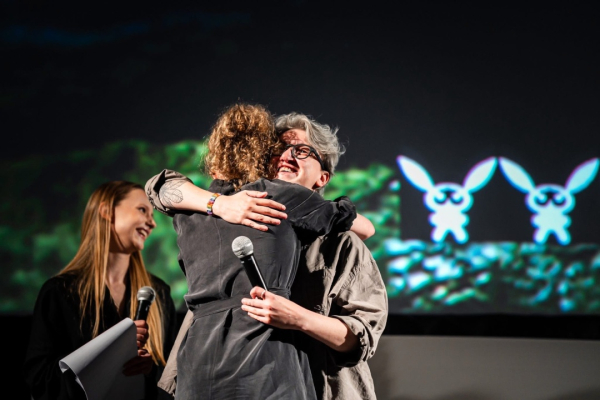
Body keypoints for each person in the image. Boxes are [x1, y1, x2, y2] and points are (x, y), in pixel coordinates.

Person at [148, 111, 387, 399]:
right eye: (278, 149)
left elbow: (362, 337)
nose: (287, 156)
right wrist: (218, 204)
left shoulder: (342, 244)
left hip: (314, 385)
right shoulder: (234, 212)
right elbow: (158, 187)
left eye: (302, 150)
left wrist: (298, 317)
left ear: (322, 177)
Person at [23, 180, 178, 400]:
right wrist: (109, 352)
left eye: (152, 215)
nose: (152, 223)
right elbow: (40, 381)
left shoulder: (158, 293)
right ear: (106, 211)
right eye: (142, 210)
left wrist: (150, 369)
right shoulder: (60, 292)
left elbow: (176, 377)